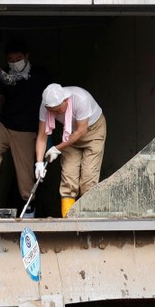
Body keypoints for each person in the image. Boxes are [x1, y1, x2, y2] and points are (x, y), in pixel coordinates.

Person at [0, 39, 52, 217]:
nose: (14, 63)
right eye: (11, 59)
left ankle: (28, 216)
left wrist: (49, 131)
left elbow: (52, 103)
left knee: (26, 180)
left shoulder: (40, 75)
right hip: (4, 125)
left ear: (26, 57)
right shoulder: (4, 75)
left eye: (18, 58)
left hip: (27, 131)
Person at [35, 83, 107, 218]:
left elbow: (81, 131)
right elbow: (42, 136)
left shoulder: (80, 99)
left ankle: (88, 222)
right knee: (68, 177)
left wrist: (57, 148)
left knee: (88, 179)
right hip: (69, 133)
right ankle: (68, 221)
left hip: (93, 131)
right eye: (53, 111)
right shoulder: (45, 108)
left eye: (58, 109)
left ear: (66, 99)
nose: (56, 113)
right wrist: (39, 163)